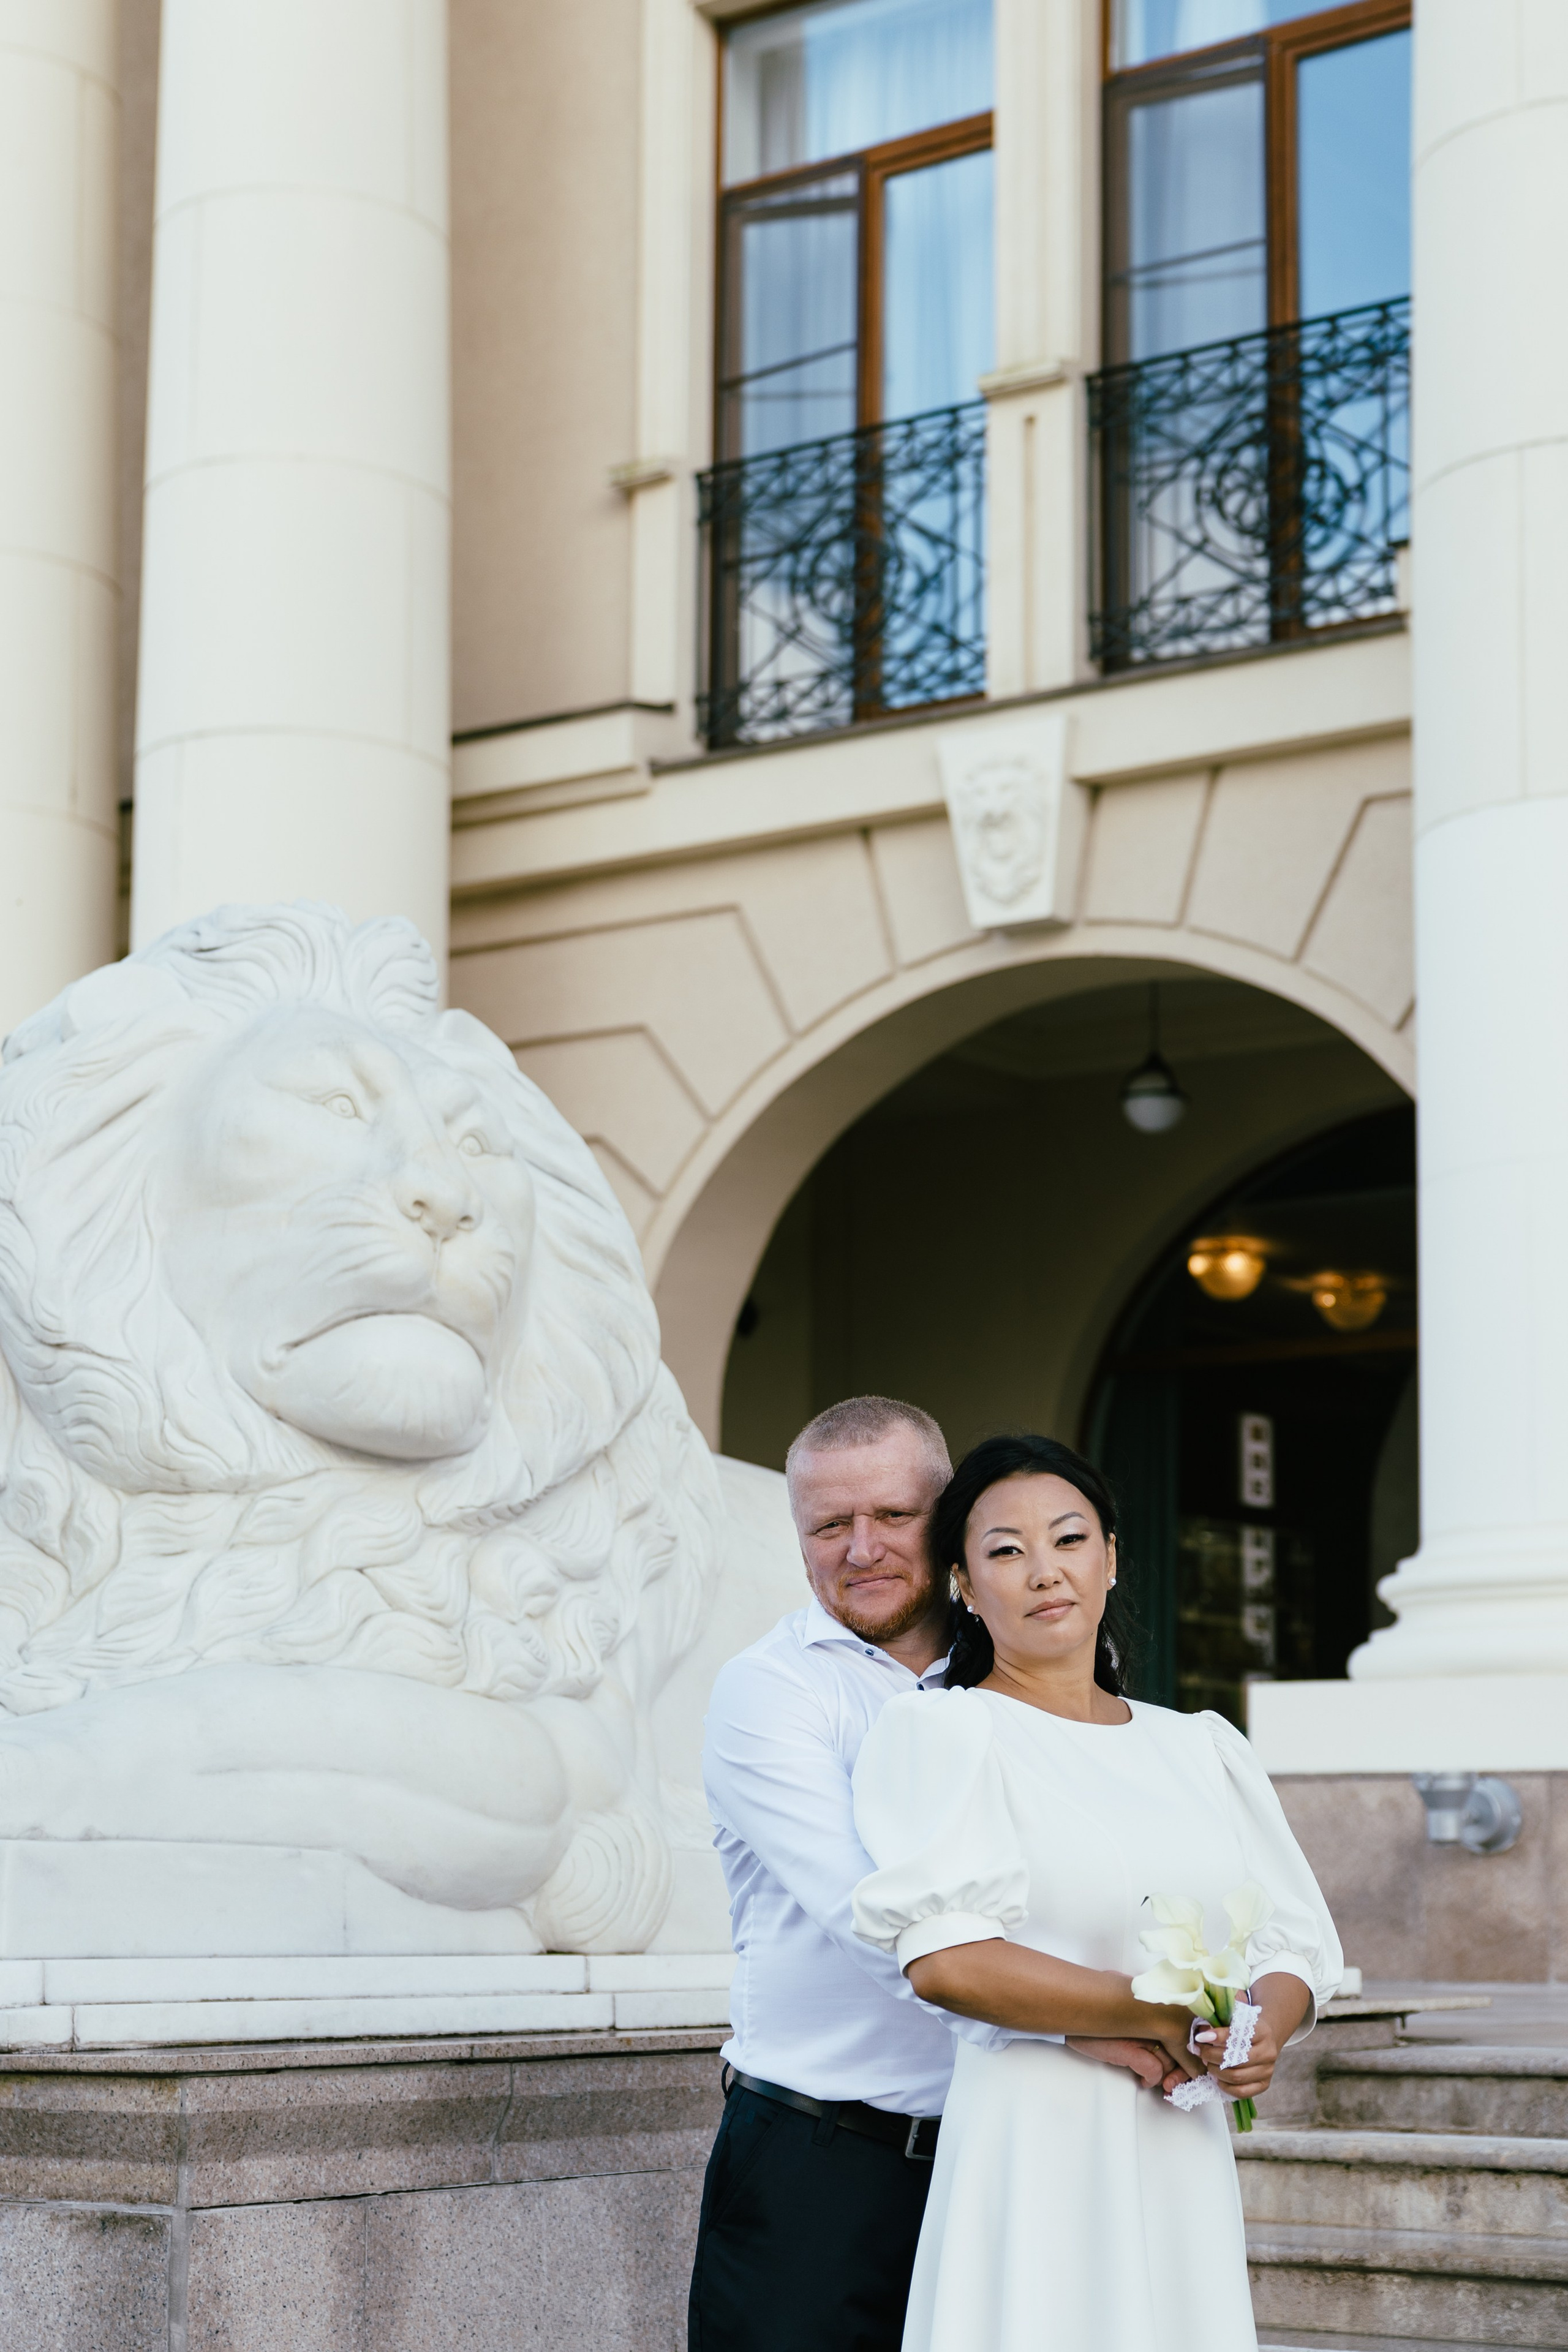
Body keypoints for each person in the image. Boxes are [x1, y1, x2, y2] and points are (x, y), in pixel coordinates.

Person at [688, 1399, 1179, 2352]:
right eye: (830, 1526)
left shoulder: (1035, 1676)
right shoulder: (771, 1691)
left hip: (1009, 2149)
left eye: (892, 1517)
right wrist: (1095, 2018)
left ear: (948, 1523)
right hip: (822, 2164)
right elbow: (875, 1919)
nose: (861, 1548)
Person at [850, 1432, 1343, 2352]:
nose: (1045, 1572)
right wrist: (1152, 2010)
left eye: (1069, 1540)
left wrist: (1260, 2028)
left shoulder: (1199, 1746)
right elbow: (947, 1960)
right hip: (1037, 2137)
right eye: (1006, 1551)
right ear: (963, 1582)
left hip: (1179, 2144)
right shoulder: (946, 1733)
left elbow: (1292, 1945)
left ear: (1112, 1558)